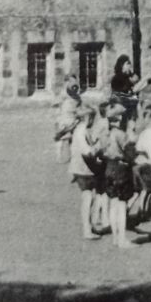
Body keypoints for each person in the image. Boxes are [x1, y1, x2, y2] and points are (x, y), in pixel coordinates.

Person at [101, 107, 138, 248]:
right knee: (122, 206)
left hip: (109, 169)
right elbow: (130, 155)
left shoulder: (105, 134)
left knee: (113, 204)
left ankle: (115, 238)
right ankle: (122, 239)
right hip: (121, 171)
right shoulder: (121, 135)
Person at [68, 103, 106, 240]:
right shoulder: (81, 131)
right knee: (88, 198)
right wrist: (99, 146)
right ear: (88, 118)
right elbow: (87, 152)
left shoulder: (81, 130)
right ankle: (86, 229)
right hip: (83, 169)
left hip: (84, 168)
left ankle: (89, 226)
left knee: (90, 197)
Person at [109, 55, 151, 123]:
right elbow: (133, 90)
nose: (130, 65)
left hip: (128, 107)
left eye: (130, 63)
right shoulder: (118, 78)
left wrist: (143, 82)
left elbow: (137, 89)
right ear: (121, 65)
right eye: (127, 63)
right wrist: (145, 78)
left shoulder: (128, 76)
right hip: (119, 108)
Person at [54, 86, 83, 161]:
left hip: (62, 121)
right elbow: (78, 113)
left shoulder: (65, 101)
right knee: (72, 140)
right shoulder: (77, 101)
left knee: (60, 139)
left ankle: (59, 157)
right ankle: (71, 156)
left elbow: (58, 110)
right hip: (72, 122)